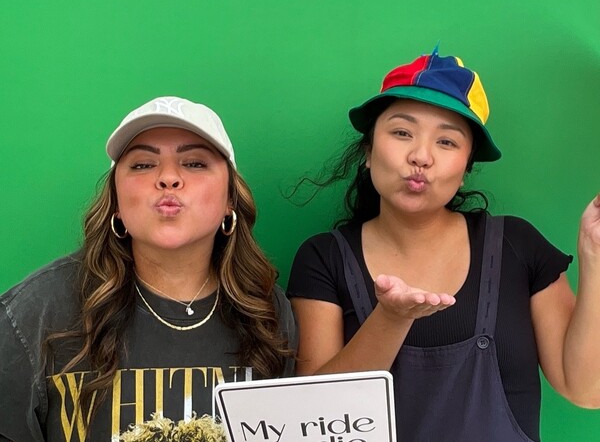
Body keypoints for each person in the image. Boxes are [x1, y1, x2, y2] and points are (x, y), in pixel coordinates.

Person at [287, 49, 600, 441]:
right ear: (368, 151)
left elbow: (587, 390)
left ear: (466, 169)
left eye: (447, 141)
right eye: (402, 133)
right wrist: (390, 319)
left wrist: (594, 255)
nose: (421, 156)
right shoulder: (324, 259)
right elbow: (314, 418)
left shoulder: (517, 247)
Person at [0, 96, 297, 441]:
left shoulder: (266, 312)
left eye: (195, 163)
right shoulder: (35, 312)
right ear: (116, 200)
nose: (168, 177)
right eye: (142, 165)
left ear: (230, 198)